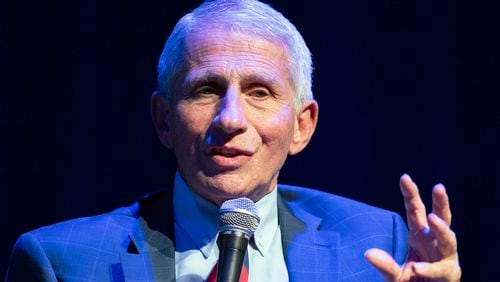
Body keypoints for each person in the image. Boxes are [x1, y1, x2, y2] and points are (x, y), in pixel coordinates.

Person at [6, 0, 461, 281]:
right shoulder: (61, 263)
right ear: (163, 120)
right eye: (206, 89)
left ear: (303, 125)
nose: (230, 119)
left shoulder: (380, 245)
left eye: (259, 92)